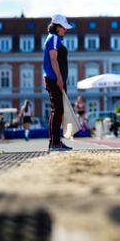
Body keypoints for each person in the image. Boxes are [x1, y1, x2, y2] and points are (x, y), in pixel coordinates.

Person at [43, 14, 73, 151]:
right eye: (64, 28)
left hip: (53, 78)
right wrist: (60, 79)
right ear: (57, 27)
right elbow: (53, 59)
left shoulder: (54, 38)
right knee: (58, 110)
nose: (65, 30)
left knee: (56, 109)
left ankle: (54, 141)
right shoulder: (54, 38)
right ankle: (55, 142)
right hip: (54, 79)